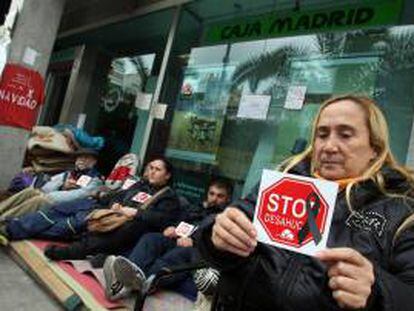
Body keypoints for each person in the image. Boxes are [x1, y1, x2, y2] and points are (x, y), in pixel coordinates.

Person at [197, 95, 414, 311]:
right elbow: (216, 241)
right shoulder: (284, 180)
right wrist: (216, 235)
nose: (329, 146)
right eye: (322, 134)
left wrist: (377, 291)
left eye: (345, 135)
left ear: (374, 148)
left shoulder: (400, 213)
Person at [102, 179, 232, 301]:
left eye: (220, 196)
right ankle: (125, 280)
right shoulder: (196, 207)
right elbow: (177, 220)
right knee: (151, 238)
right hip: (176, 238)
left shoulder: (227, 219)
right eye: (212, 194)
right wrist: (171, 227)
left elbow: (220, 245)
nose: (214, 199)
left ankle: (138, 283)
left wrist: (195, 242)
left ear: (228, 199)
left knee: (179, 253)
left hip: (196, 250)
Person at [44, 157, 182, 261]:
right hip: (116, 216)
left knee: (125, 229)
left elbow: (162, 219)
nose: (152, 172)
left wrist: (136, 212)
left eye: (157, 170)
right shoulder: (141, 184)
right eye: (151, 168)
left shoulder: (169, 196)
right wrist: (115, 204)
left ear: (167, 175)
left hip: (134, 228)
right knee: (86, 219)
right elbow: (118, 195)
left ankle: (70, 252)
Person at [0, 149, 102, 221]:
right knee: (30, 191)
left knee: (40, 199)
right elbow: (46, 186)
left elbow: (79, 195)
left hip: (66, 206)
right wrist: (62, 186)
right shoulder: (68, 174)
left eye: (86, 158)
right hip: (53, 197)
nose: (82, 160)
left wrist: (50, 195)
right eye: (79, 157)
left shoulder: (95, 179)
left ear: (94, 162)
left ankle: (3, 221)